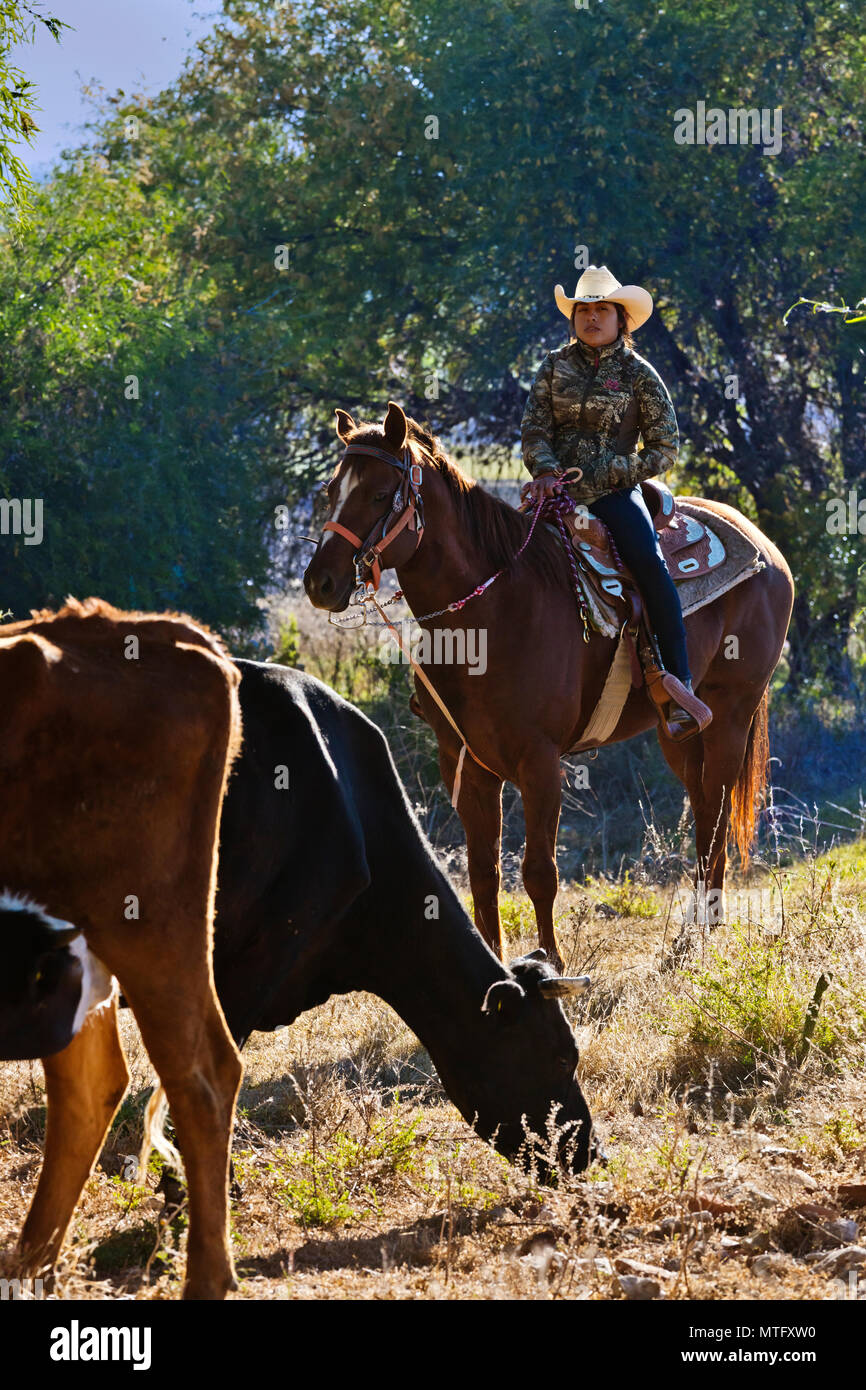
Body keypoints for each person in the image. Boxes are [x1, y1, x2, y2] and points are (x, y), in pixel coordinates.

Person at [520, 264, 712, 739]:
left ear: (620, 318)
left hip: (615, 494)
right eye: (583, 309)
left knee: (649, 565)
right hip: (555, 494)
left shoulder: (639, 375)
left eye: (601, 309)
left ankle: (678, 682)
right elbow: (534, 430)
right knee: (499, 554)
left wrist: (613, 472)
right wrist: (544, 470)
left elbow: (665, 448)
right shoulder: (553, 366)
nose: (591, 317)